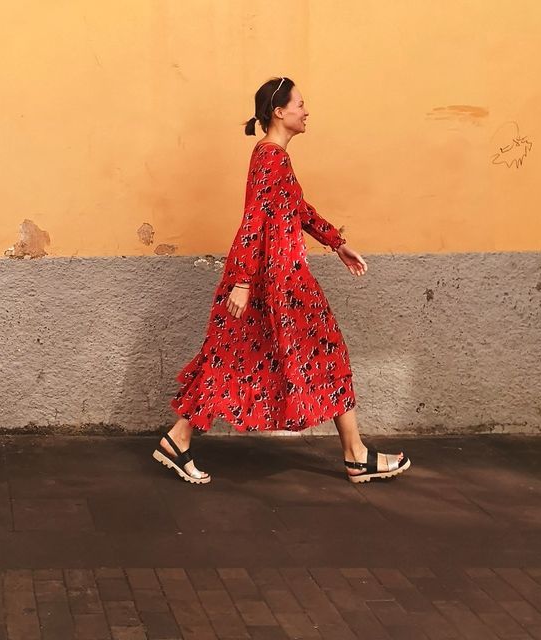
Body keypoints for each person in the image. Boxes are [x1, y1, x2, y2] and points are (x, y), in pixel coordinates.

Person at [153, 77, 411, 485]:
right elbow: (253, 219)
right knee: (311, 354)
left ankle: (178, 438)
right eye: (300, 105)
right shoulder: (270, 157)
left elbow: (298, 208)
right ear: (279, 111)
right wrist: (240, 280)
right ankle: (356, 456)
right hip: (275, 283)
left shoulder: (273, 158)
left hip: (279, 281)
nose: (306, 112)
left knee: (235, 358)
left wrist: (336, 243)